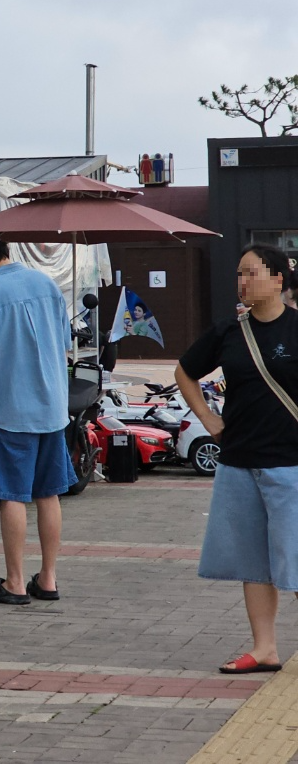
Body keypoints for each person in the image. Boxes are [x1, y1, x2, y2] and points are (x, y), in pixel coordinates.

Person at [177, 244, 298, 674]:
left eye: (251, 273)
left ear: (279, 279)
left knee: (296, 557)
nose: (242, 281)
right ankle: (265, 648)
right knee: (254, 562)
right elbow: (185, 371)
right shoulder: (229, 331)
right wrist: (208, 418)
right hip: (238, 462)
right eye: (239, 274)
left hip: (290, 464)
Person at [0, 224, 75, 605]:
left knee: (12, 498)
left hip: (11, 411)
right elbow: (66, 343)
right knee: (49, 494)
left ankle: (16, 582)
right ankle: (49, 579)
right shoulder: (47, 284)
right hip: (52, 409)